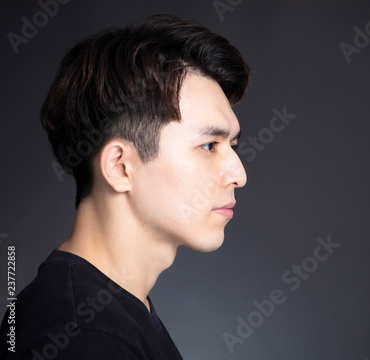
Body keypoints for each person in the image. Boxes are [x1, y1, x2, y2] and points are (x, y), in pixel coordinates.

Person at [1, 13, 250, 360]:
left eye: (233, 147)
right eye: (209, 146)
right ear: (119, 167)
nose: (239, 174)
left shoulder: (117, 313)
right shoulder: (82, 337)